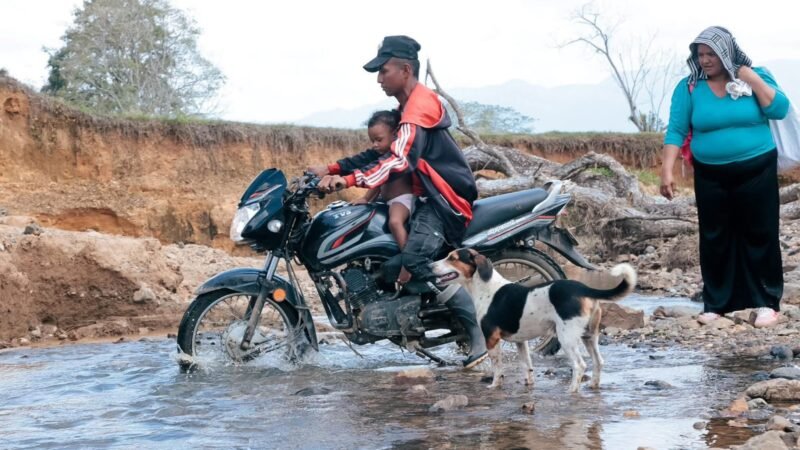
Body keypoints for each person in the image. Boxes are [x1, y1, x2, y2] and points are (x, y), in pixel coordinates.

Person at [310, 35, 487, 368]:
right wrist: (332, 168)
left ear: (405, 70)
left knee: (415, 257)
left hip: (444, 200)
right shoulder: (404, 109)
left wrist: (347, 180)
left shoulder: (418, 109)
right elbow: (376, 153)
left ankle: (476, 332)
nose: (379, 79)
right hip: (425, 196)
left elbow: (397, 160)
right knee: (390, 260)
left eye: (383, 71)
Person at [659, 26, 789, 328]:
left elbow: (780, 109)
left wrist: (752, 79)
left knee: (760, 232)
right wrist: (666, 169)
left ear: (726, 53)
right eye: (700, 55)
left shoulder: (757, 75)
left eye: (711, 54)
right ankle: (716, 303)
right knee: (715, 236)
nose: (705, 60)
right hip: (710, 172)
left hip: (757, 167)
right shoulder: (689, 87)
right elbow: (676, 129)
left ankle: (767, 302)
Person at [313, 110, 414, 249]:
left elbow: (379, 177)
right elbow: (378, 183)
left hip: (402, 200)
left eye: (379, 140)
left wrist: (349, 182)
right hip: (387, 201)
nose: (374, 145)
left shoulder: (394, 159)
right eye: (372, 141)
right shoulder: (380, 156)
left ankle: (409, 258)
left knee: (395, 222)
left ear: (395, 135)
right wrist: (366, 199)